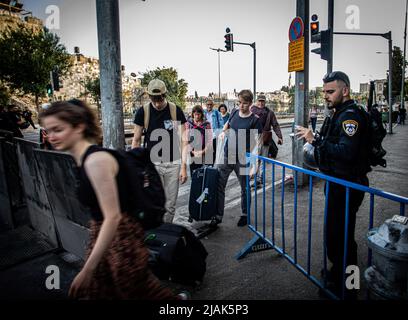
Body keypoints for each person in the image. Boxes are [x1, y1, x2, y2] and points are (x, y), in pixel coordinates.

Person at [39, 99, 178, 300]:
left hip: (121, 239)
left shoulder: (96, 161)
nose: (51, 136)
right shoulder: (83, 160)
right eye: (48, 130)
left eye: (57, 129)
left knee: (140, 293)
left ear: (79, 126)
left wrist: (87, 269)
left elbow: (112, 217)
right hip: (105, 237)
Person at [296, 71, 370, 299]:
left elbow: (346, 153)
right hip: (337, 183)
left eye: (331, 91)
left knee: (345, 240)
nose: (326, 96)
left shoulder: (351, 117)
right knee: (335, 237)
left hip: (348, 185)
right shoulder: (338, 113)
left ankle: (350, 287)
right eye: (324, 92)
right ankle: (337, 276)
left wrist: (315, 139)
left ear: (345, 90)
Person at [131, 79, 190, 229]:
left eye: (160, 99)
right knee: (154, 202)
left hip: (173, 164)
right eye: (153, 99)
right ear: (149, 96)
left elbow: (184, 140)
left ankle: (164, 232)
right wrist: (135, 167)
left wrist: (184, 166)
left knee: (170, 204)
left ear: (165, 95)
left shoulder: (175, 110)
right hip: (153, 164)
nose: (157, 103)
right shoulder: (143, 112)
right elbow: (136, 141)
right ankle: (154, 230)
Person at [216, 89, 263, 227]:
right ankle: (218, 215)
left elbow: (258, 143)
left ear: (250, 103)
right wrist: (223, 132)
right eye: (239, 102)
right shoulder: (235, 112)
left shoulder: (255, 120)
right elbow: (228, 125)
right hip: (227, 155)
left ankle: (245, 214)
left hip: (243, 159)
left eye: (244, 103)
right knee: (219, 185)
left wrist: (254, 164)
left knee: (245, 188)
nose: (241, 106)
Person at [250, 94, 283, 186]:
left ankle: (260, 179)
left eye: (262, 101)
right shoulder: (251, 110)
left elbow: (275, 125)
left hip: (265, 138)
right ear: (256, 101)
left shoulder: (269, 112)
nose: (261, 103)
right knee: (255, 159)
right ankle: (255, 177)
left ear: (265, 102)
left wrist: (279, 136)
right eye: (259, 101)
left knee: (263, 159)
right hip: (254, 138)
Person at [185, 105, 213, 176]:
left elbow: (209, 139)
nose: (197, 116)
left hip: (206, 151)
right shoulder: (189, 124)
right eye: (195, 114)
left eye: (198, 114)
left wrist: (203, 151)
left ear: (202, 114)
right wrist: (192, 151)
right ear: (192, 114)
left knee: (206, 172)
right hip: (193, 151)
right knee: (194, 173)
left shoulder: (206, 124)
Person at [204, 99, 223, 165]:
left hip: (214, 134)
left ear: (213, 105)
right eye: (208, 104)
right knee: (206, 150)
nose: (209, 106)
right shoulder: (203, 113)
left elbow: (221, 125)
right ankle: (206, 165)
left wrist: (219, 134)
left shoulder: (217, 113)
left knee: (213, 150)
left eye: (210, 104)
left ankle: (211, 165)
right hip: (205, 134)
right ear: (205, 105)